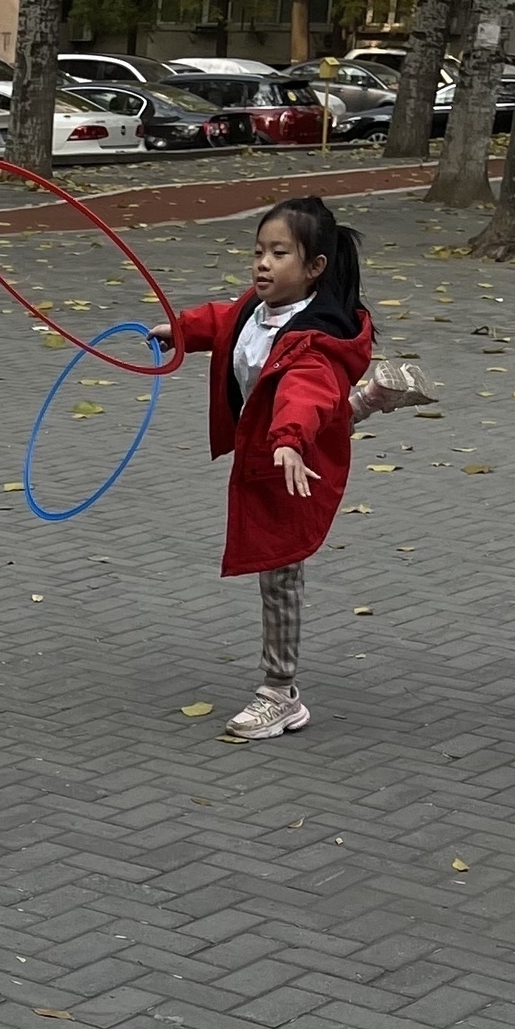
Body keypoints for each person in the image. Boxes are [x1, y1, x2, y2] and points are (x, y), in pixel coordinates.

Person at [150, 196, 373, 739]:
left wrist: (293, 440)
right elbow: (224, 321)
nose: (262, 264)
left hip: (293, 459)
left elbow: (304, 389)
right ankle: (368, 398)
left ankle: (280, 692)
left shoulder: (314, 337)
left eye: (279, 253)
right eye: (258, 251)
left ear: (315, 267)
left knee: (279, 570)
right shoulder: (257, 307)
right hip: (269, 446)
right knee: (276, 566)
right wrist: (180, 330)